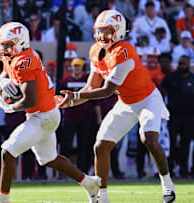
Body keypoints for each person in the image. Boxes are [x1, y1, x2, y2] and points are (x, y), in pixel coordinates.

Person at [59, 10, 176, 203]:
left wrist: (76, 96)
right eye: (100, 31)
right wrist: (69, 101)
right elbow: (90, 87)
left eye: (107, 31)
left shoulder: (124, 51)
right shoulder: (96, 50)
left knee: (149, 139)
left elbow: (106, 91)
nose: (102, 36)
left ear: (119, 31)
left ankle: (167, 185)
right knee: (100, 146)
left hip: (147, 99)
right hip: (126, 102)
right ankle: (102, 197)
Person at [0, 22, 101, 203]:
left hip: (42, 115)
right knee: (49, 158)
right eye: (2, 45)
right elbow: (4, 75)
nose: (4, 49)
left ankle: (2, 198)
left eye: (7, 45)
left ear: (20, 43)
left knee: (8, 151)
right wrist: (1, 85)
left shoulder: (23, 61)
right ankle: (89, 182)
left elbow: (29, 100)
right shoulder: (15, 58)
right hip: (44, 113)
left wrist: (10, 107)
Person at [160, 55, 194, 178]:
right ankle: (170, 170)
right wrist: (161, 111)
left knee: (186, 144)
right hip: (173, 116)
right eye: (180, 64)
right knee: (171, 144)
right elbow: (160, 94)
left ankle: (184, 170)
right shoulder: (170, 78)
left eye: (184, 64)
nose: (182, 66)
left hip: (190, 117)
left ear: (189, 65)